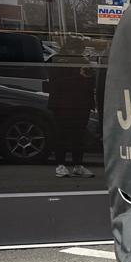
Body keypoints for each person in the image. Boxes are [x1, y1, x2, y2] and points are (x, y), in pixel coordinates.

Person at [47, 40, 96, 179]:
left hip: (79, 104)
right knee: (62, 135)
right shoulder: (57, 60)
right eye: (73, 48)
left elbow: (91, 81)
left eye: (78, 48)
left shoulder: (82, 61)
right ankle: (61, 165)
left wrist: (86, 77)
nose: (75, 51)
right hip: (63, 104)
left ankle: (77, 165)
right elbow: (55, 83)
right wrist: (80, 77)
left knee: (78, 136)